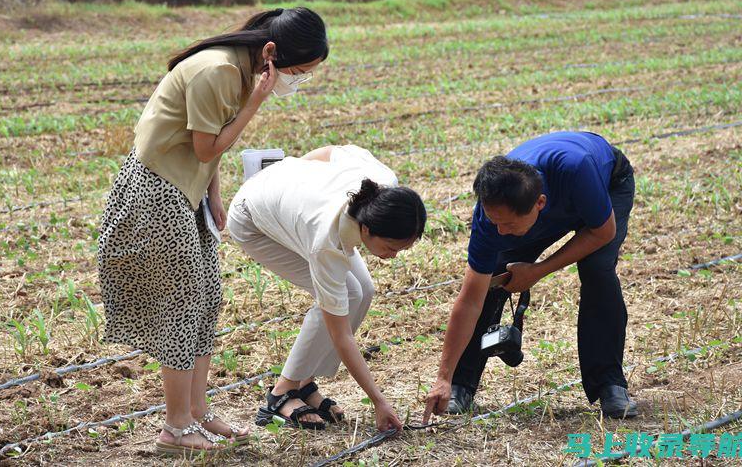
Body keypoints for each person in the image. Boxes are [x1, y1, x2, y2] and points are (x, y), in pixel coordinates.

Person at [97, 7, 328, 458]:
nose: (296, 82)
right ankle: (176, 427)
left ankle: (198, 413)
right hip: (156, 192)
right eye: (297, 72)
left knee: (207, 298)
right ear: (271, 53)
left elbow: (208, 148)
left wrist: (214, 195)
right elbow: (209, 144)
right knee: (182, 304)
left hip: (186, 189)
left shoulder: (240, 71)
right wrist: (254, 104)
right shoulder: (220, 72)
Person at [423, 131, 637, 423]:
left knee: (597, 267)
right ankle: (461, 384)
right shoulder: (492, 216)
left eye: (508, 224)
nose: (499, 231)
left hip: (607, 185)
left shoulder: (577, 168)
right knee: (495, 273)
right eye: (494, 221)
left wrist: (537, 271)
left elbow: (603, 232)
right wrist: (443, 377)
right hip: (551, 198)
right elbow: (470, 299)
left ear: (540, 204)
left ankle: (610, 384)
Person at [228, 145, 427, 432]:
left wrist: (294, 174)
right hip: (252, 220)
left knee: (364, 291)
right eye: (390, 248)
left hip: (295, 207)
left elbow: (332, 151)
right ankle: (281, 393)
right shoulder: (327, 242)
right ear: (368, 229)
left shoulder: (383, 184)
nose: (393, 256)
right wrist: (379, 401)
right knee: (344, 296)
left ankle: (304, 384)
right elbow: (341, 334)